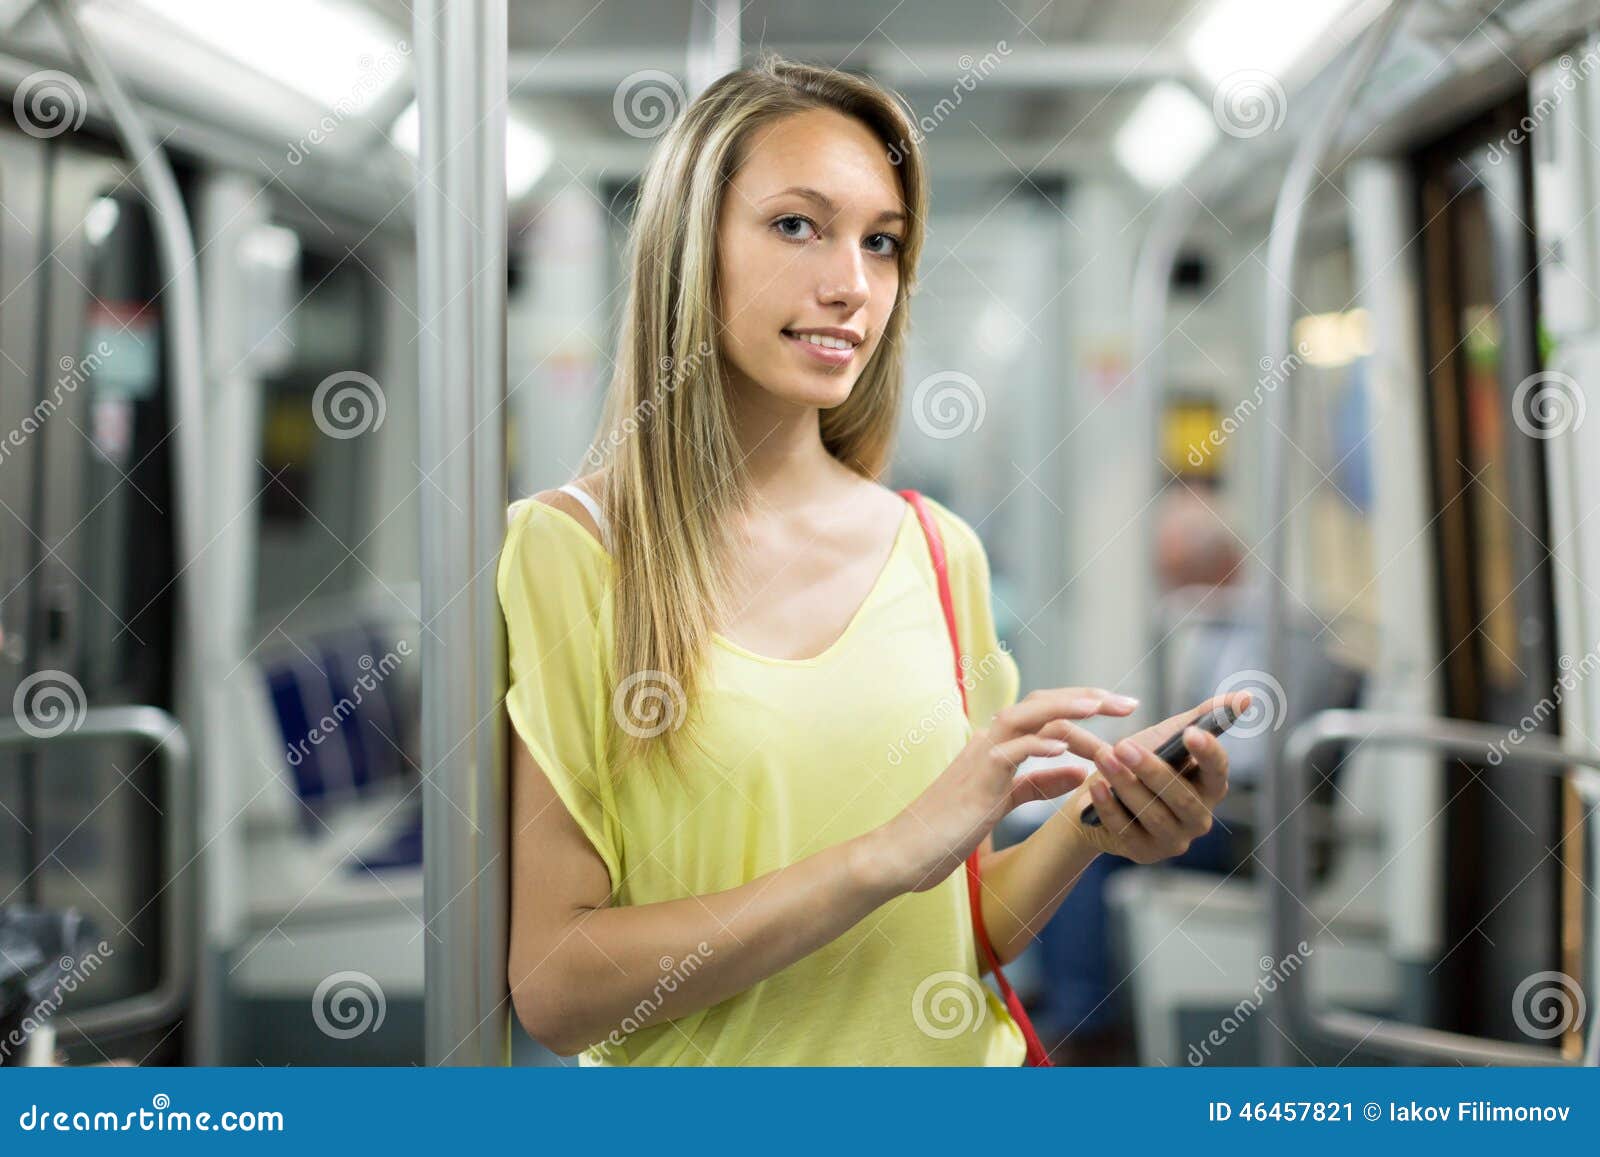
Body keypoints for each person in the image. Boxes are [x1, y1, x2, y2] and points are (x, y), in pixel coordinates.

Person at [498, 56, 1242, 1066]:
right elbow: (556, 984)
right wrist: (876, 860)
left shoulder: (938, 551)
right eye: (797, 224)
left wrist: (1092, 821)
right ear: (690, 248)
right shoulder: (571, 550)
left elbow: (957, 927)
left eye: (881, 242)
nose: (851, 283)